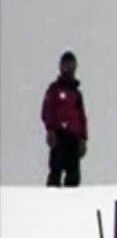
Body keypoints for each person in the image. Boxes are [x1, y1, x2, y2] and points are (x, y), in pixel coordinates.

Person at [41, 50, 88, 187]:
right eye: (66, 65)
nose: (68, 68)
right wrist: (50, 130)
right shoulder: (54, 89)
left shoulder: (76, 94)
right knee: (56, 169)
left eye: (71, 65)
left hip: (73, 137)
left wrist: (83, 138)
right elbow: (47, 110)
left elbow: (82, 117)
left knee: (73, 173)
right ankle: (52, 198)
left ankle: (71, 201)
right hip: (59, 135)